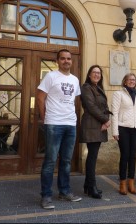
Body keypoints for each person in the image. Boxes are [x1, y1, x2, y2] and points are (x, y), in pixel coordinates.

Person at [37, 49, 82, 210]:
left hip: (70, 124)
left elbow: (74, 102)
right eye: (62, 58)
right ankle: (46, 196)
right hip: (54, 123)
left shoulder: (75, 80)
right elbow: (40, 98)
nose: (66, 61)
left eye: (68, 58)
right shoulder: (50, 76)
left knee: (66, 161)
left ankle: (64, 192)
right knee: (50, 161)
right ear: (57, 61)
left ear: (71, 61)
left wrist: (74, 119)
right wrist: (45, 119)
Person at [111, 73, 136, 195]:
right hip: (123, 128)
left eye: (133, 79)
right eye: (129, 79)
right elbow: (114, 113)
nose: (132, 81)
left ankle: (131, 182)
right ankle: (122, 182)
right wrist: (115, 131)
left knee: (133, 156)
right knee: (125, 155)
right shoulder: (118, 94)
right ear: (125, 82)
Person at [80, 65, 111, 199]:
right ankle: (91, 186)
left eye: (99, 73)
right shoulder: (86, 87)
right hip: (92, 126)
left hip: (98, 125)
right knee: (92, 157)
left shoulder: (98, 88)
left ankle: (88, 185)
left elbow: (105, 107)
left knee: (93, 156)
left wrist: (106, 120)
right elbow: (91, 106)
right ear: (89, 74)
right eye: (94, 72)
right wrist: (105, 120)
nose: (97, 75)